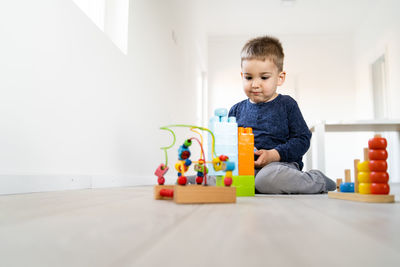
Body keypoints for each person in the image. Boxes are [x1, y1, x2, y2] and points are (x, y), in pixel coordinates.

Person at [228, 35, 336, 194]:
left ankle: (317, 180)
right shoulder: (236, 110)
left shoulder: (287, 105)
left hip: (279, 167)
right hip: (244, 170)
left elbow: (302, 139)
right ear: (242, 76)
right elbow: (228, 146)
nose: (255, 84)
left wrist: (274, 154)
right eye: (248, 77)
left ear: (280, 78)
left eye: (264, 77)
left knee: (266, 179)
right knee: (213, 177)